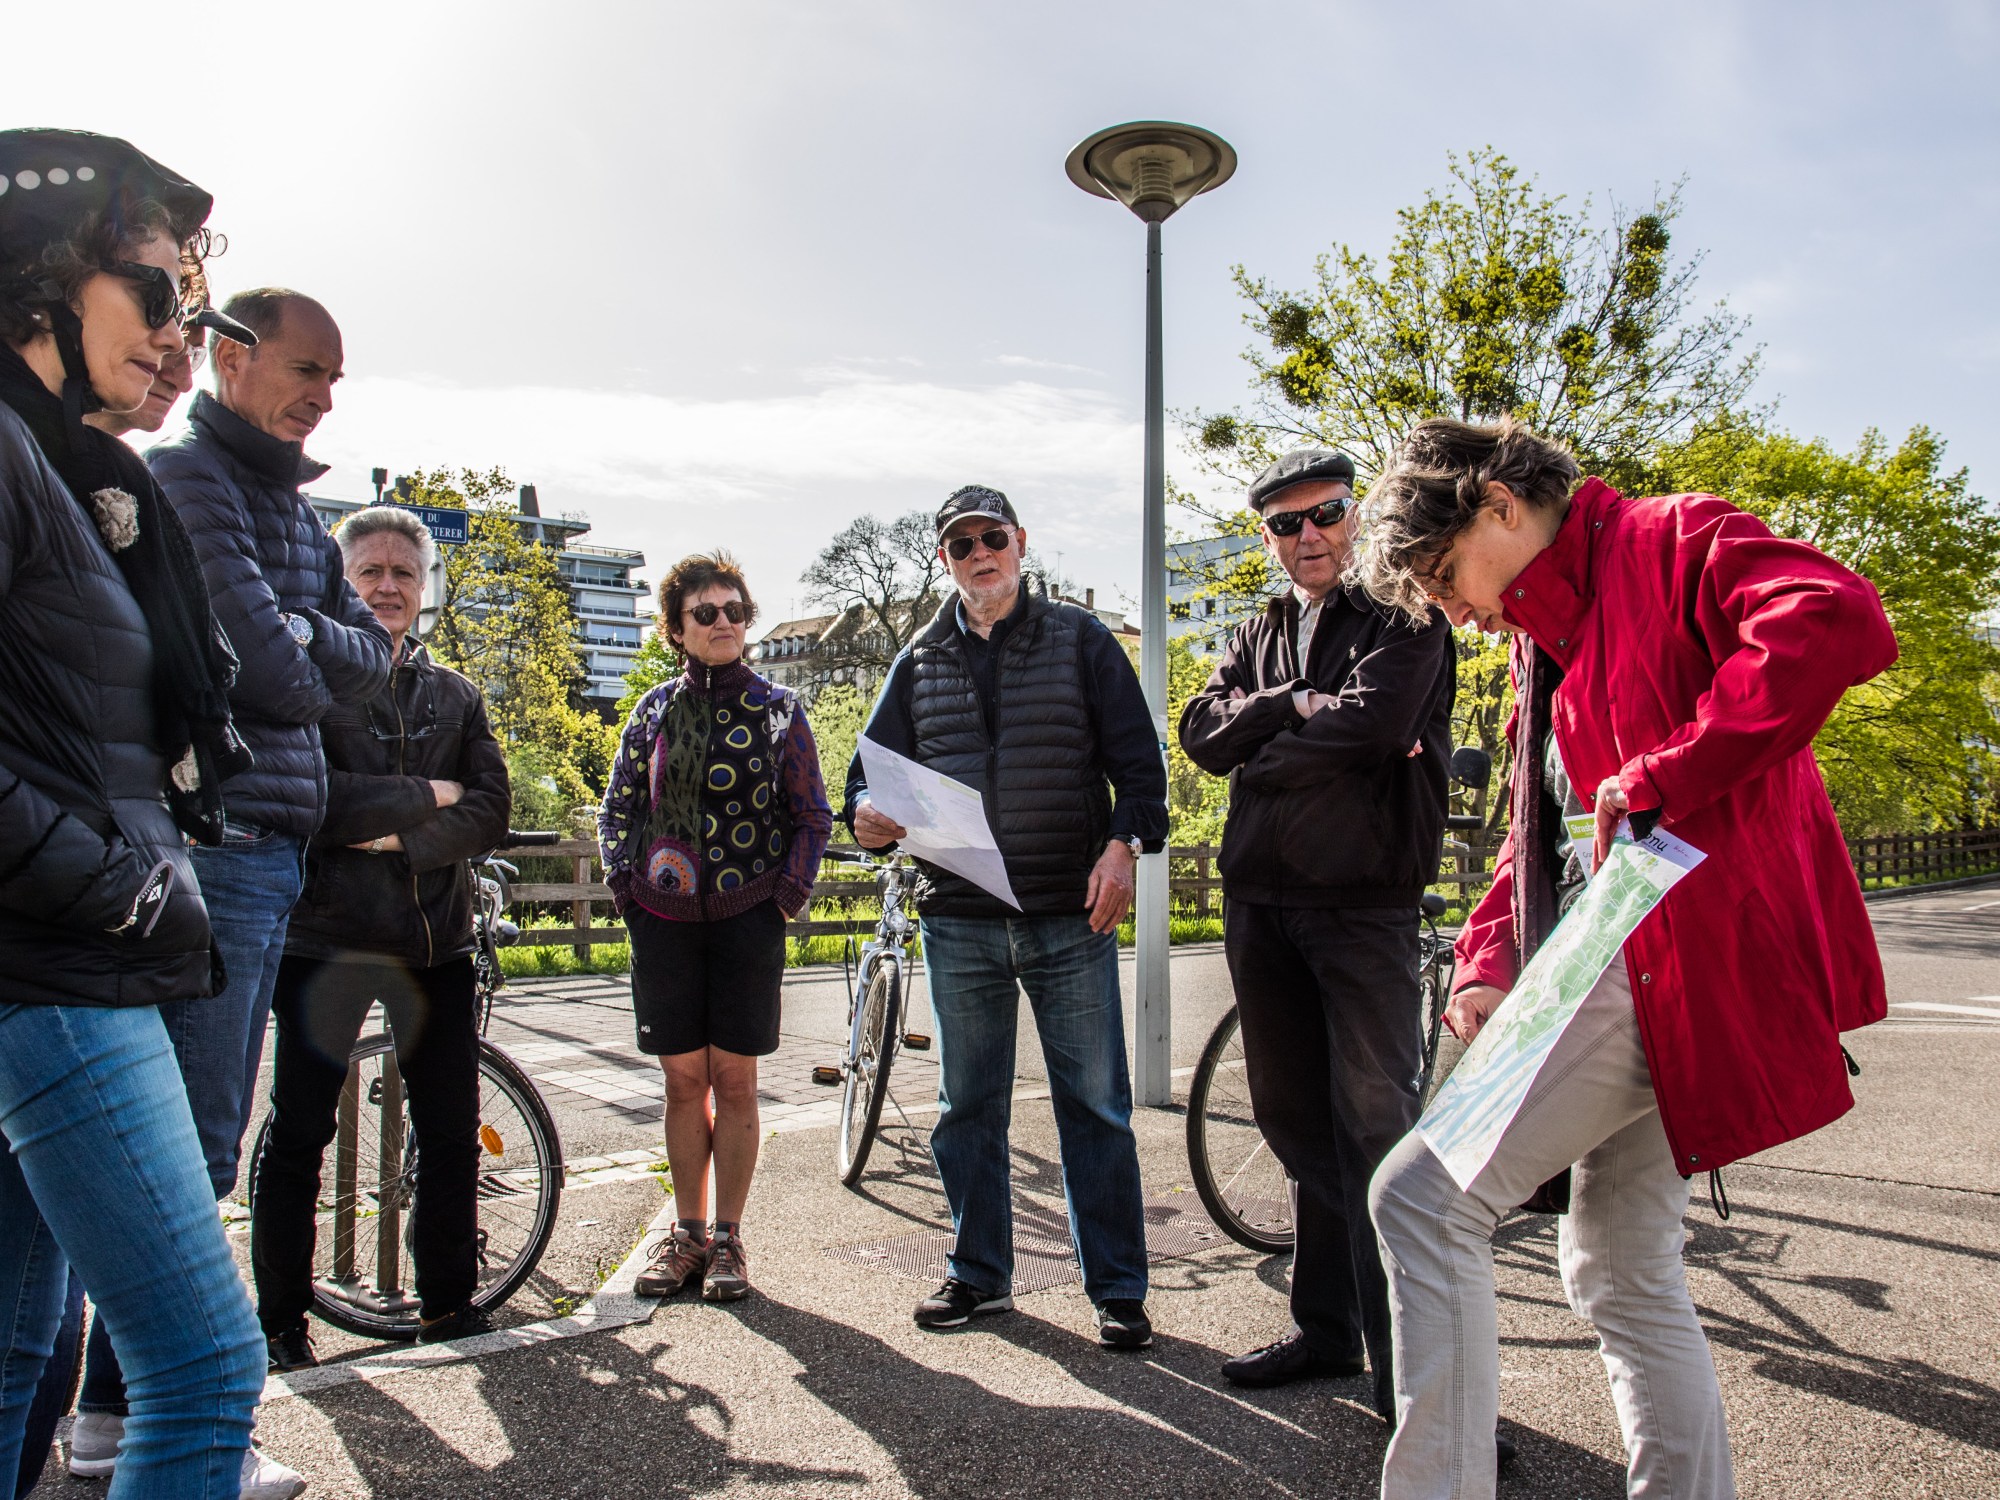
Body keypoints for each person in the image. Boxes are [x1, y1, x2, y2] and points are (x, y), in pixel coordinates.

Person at [1361, 417, 1897, 1500]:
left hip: (1666, 951)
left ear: (1498, 506)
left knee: (1420, 1200)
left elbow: (1835, 619)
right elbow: (1547, 828)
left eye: (1442, 575)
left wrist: (1671, 768)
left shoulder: (1671, 536)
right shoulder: (1536, 638)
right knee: (1618, 1265)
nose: (1452, 612)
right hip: (1631, 956)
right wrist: (1484, 952)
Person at [68, 284, 384, 1492]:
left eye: (338, 378)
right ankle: (160, 1418)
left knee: (197, 1137)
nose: (324, 396)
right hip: (224, 842)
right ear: (230, 358)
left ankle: (110, 1412)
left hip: (269, 845)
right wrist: (311, 640)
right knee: (192, 1143)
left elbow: (360, 654)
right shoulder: (196, 481)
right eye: (308, 370)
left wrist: (314, 635)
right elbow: (277, 668)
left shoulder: (291, 509)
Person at [0, 126, 269, 1498]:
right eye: (160, 293)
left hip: (58, 953)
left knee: (7, 1358)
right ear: (41, 273)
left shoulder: (56, 463)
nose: (180, 331)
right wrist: (109, 878)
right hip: (58, 965)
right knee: (207, 1367)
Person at [846, 484, 1169, 1348]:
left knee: (1095, 1108)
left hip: (1071, 915)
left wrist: (1123, 845)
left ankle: (1117, 1289)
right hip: (960, 920)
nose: (979, 553)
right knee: (967, 1109)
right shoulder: (917, 659)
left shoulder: (1083, 640)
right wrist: (866, 821)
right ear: (945, 561)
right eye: (960, 544)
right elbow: (864, 781)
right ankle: (978, 1277)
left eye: (992, 537)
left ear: (1021, 542)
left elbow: (1143, 772)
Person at [1178, 447, 1454, 1405]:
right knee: (1295, 1124)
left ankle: (1417, 1383)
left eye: (1326, 513)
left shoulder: (1407, 614)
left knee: (1381, 1134)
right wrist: (1288, 705)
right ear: (1268, 537)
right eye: (1286, 524)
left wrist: (1263, 753)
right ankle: (1329, 1334)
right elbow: (1202, 733)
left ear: (1356, 515)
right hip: (1262, 904)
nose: (1310, 536)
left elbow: (1374, 730)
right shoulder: (1256, 630)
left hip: (1364, 905)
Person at [251, 506, 511, 1366]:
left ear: (424, 585)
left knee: (448, 1130)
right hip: (326, 939)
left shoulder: (456, 694)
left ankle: (447, 1308)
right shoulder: (307, 685)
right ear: (342, 581)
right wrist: (425, 797)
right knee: (299, 1132)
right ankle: (281, 1322)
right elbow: (318, 803)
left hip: (435, 941)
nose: (389, 586)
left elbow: (491, 809)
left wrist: (398, 830)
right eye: (371, 571)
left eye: (405, 571)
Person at [599, 552, 833, 1302]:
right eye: (707, 613)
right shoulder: (652, 711)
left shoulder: (779, 709)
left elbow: (812, 815)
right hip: (661, 920)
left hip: (747, 919)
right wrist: (626, 891)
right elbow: (618, 810)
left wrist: (784, 898)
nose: (725, 622)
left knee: (734, 1081)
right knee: (680, 1083)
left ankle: (728, 1241)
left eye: (735, 610)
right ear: (677, 629)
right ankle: (687, 1236)